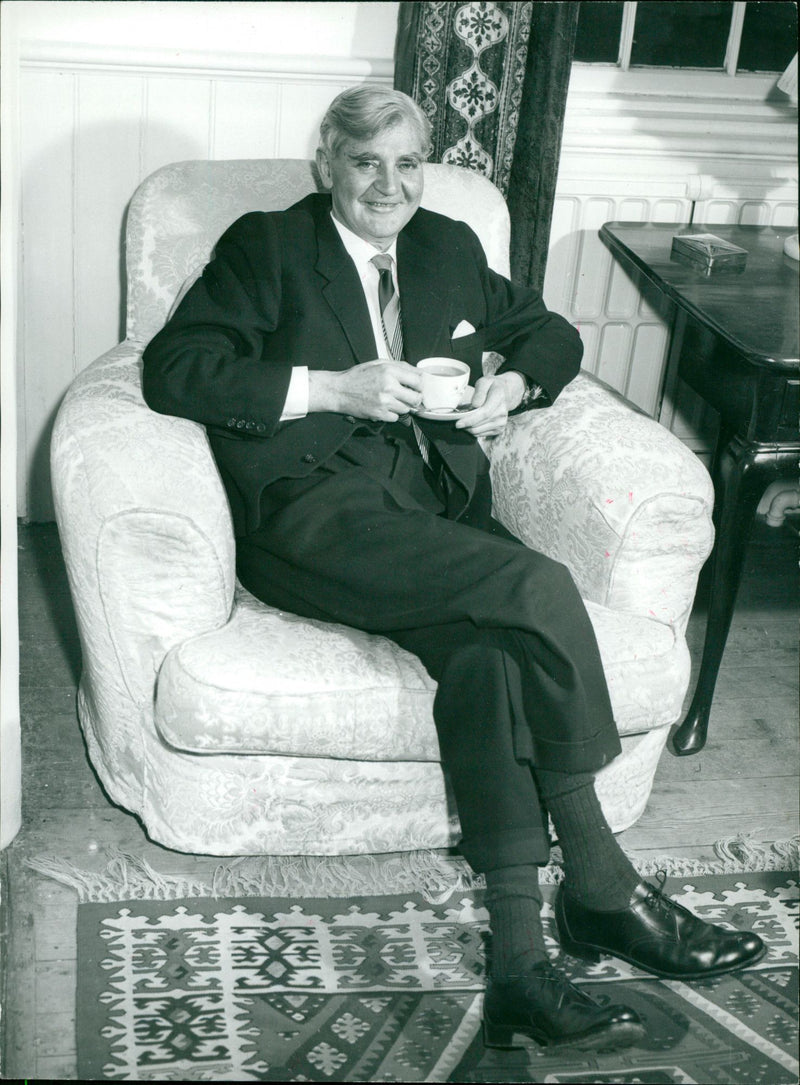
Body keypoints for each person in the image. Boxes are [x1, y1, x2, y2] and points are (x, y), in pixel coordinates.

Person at [142, 85, 764, 1053]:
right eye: (366, 163)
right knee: (539, 587)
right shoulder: (266, 248)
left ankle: (518, 965)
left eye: (406, 163)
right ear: (326, 163)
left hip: (430, 507)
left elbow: (551, 334)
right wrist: (326, 387)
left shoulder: (445, 247)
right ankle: (600, 878)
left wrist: (509, 386)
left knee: (490, 660)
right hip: (313, 507)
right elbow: (172, 368)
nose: (389, 185)